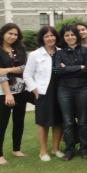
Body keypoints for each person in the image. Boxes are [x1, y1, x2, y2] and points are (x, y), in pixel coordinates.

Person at [0, 23, 29, 165]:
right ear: (3, 34)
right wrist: (8, 94)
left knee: (19, 121)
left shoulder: (20, 48)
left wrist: (7, 70)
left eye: (15, 34)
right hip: (3, 92)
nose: (13, 36)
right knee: (2, 123)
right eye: (10, 33)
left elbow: (25, 68)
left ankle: (16, 149)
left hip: (21, 89)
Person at [23, 26, 63, 162]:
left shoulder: (61, 52)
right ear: (42, 39)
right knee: (43, 122)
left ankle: (56, 148)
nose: (50, 38)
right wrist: (34, 89)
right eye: (47, 36)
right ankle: (43, 151)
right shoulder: (35, 55)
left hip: (60, 90)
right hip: (43, 92)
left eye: (52, 35)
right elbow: (27, 74)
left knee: (58, 121)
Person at [55, 24, 87, 161]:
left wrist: (69, 68)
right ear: (63, 38)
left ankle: (84, 148)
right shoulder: (59, 53)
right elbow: (59, 71)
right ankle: (69, 150)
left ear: (77, 36)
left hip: (82, 88)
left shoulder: (85, 50)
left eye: (72, 35)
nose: (70, 38)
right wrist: (79, 67)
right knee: (68, 122)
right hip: (64, 89)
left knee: (83, 120)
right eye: (67, 35)